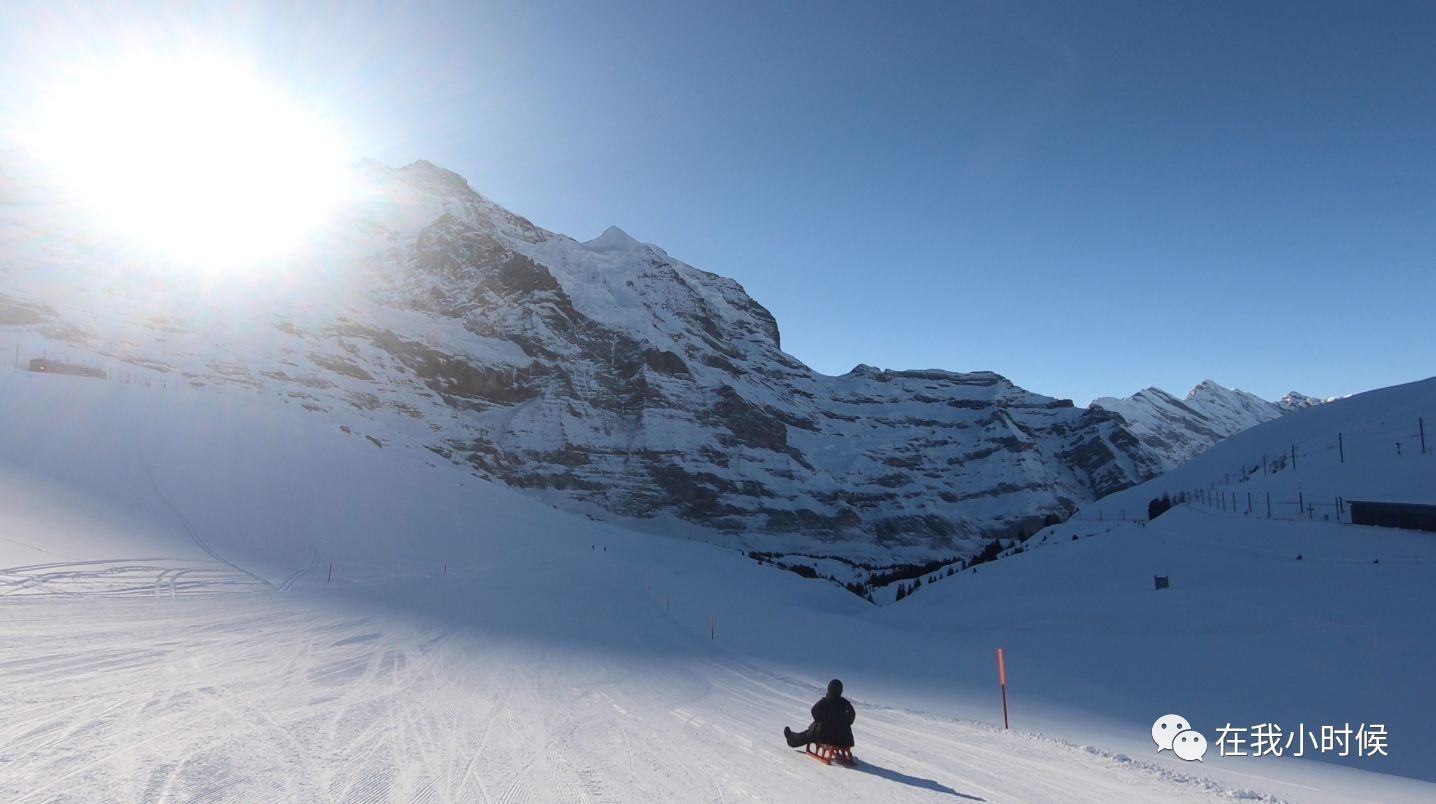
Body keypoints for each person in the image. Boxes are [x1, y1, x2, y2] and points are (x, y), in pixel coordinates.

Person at [784, 678, 856, 748]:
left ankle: (791, 739)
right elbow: (851, 718)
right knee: (816, 729)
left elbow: (814, 712)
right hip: (845, 739)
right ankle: (794, 735)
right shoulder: (846, 704)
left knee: (809, 733)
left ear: (829, 689)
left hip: (825, 737)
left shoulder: (825, 702)